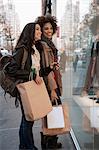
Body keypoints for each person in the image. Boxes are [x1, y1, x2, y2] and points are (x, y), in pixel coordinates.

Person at [6, 22, 42, 150]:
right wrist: (31, 74)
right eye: (37, 29)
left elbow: (36, 69)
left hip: (31, 87)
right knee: (28, 119)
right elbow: (11, 69)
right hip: (25, 88)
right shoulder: (22, 49)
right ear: (30, 32)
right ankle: (30, 147)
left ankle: (24, 146)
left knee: (28, 119)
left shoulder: (34, 48)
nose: (40, 32)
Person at [35, 15, 62, 149]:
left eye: (51, 28)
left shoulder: (49, 43)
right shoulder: (43, 45)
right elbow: (47, 70)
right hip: (49, 85)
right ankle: (48, 144)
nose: (49, 31)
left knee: (51, 113)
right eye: (46, 28)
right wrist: (52, 89)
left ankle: (51, 141)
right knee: (51, 113)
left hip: (53, 83)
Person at [82, 34, 99, 102]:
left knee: (94, 77)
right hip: (94, 60)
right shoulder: (95, 41)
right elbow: (93, 53)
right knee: (92, 76)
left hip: (96, 59)